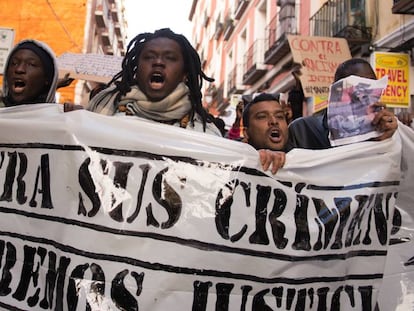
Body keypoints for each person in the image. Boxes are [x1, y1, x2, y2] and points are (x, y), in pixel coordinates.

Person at [85, 28, 221, 136]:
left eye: (170, 58)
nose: (158, 62)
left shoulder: (206, 135)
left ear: (184, 74)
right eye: (149, 57)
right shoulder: (99, 116)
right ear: (137, 70)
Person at [287, 58, 398, 150]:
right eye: (358, 84)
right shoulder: (303, 130)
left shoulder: (385, 128)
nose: (364, 92)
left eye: (371, 83)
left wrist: (388, 138)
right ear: (337, 90)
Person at [0, 39, 59, 107]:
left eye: (31, 64)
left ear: (47, 78)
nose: (19, 69)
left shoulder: (60, 115)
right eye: (14, 63)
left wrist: (72, 115)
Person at [242, 93, 288, 173]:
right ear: (246, 133)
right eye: (262, 117)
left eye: (280, 116)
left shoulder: (306, 161)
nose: (274, 121)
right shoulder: (234, 165)